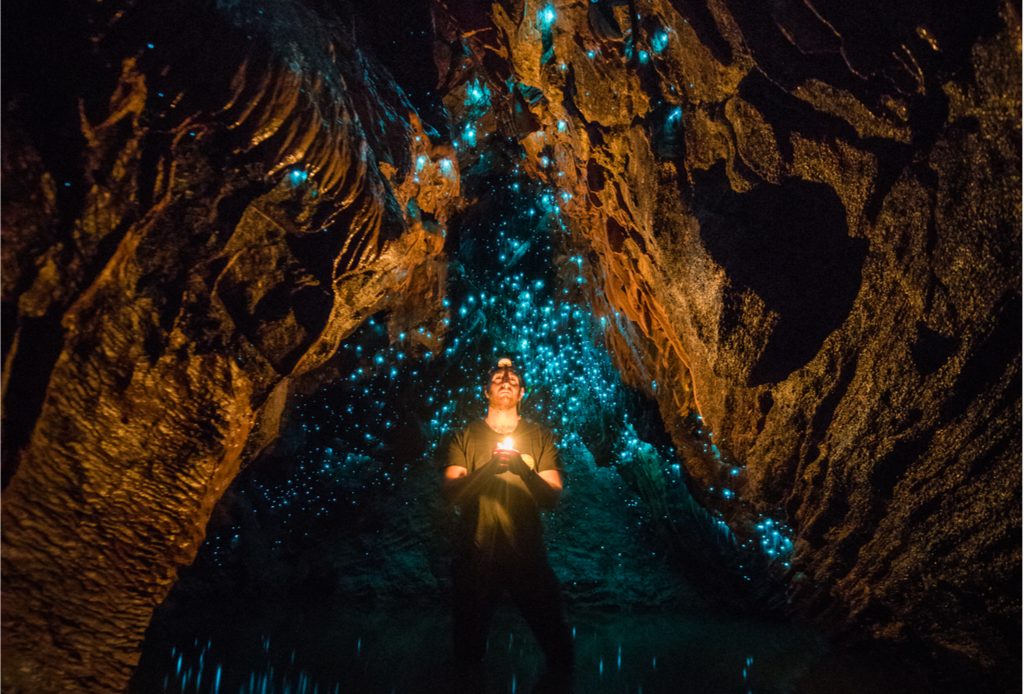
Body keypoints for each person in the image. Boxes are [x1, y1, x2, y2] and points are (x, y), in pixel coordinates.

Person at [442, 358, 574, 678]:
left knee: (559, 650)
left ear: (522, 392)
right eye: (498, 377)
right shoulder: (465, 435)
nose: (505, 380)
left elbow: (552, 496)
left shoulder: (540, 436)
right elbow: (450, 491)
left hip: (526, 554)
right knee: (467, 655)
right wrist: (489, 469)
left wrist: (521, 469)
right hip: (476, 555)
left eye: (513, 378)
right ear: (486, 390)